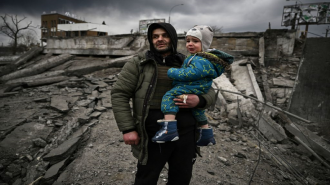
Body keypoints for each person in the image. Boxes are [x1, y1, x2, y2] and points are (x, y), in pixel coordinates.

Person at [111, 23, 216, 185]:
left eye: (164, 35)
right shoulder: (139, 63)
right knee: (146, 179)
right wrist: (128, 128)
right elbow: (119, 94)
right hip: (153, 134)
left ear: (172, 38)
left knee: (181, 178)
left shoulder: (187, 62)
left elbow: (209, 89)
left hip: (186, 134)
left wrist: (200, 100)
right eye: (155, 36)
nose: (160, 39)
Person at [152, 25, 234, 146]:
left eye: (195, 41)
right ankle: (207, 134)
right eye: (188, 41)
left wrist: (173, 72)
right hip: (198, 86)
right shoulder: (199, 58)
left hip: (192, 85)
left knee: (169, 97)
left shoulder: (200, 59)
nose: (190, 44)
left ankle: (169, 128)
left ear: (204, 44)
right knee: (198, 110)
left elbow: (192, 73)